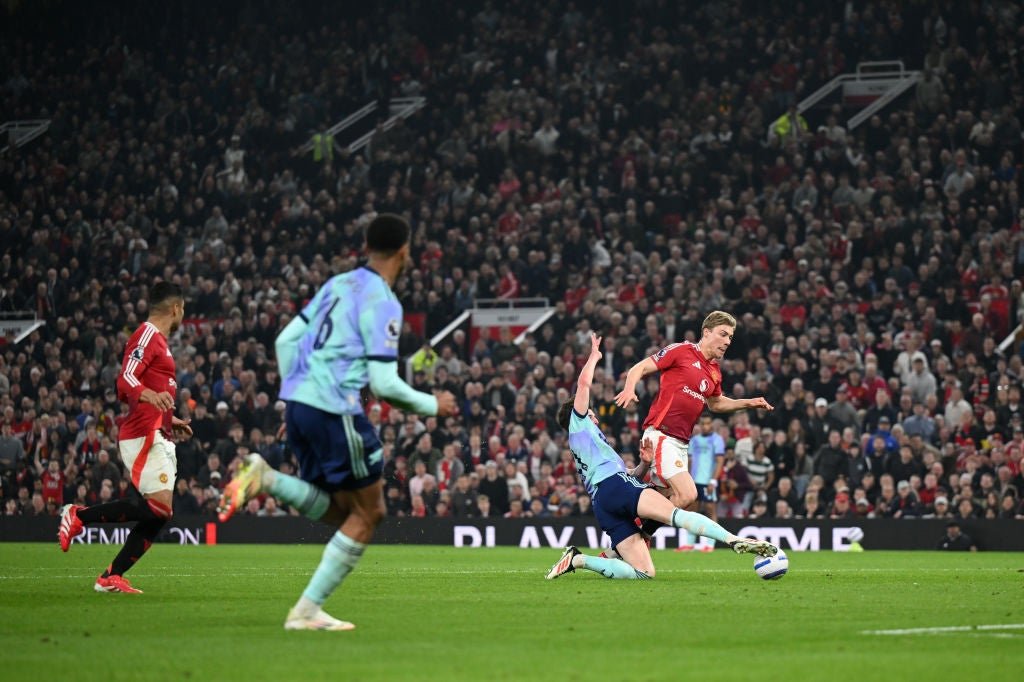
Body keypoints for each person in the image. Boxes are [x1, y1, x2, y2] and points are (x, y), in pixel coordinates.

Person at [217, 214, 457, 631]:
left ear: (365, 246)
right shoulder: (383, 300)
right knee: (370, 513)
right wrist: (434, 405)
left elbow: (284, 340)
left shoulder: (336, 285)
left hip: (300, 404)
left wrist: (295, 397)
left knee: (347, 512)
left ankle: (266, 479)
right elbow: (384, 384)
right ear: (405, 251)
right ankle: (306, 610)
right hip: (334, 408)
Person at [545, 333, 776, 582]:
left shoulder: (587, 446)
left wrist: (645, 463)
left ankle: (577, 559)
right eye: (590, 412)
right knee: (679, 509)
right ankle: (733, 539)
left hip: (603, 502)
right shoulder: (578, 424)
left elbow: (629, 476)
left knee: (644, 573)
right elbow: (583, 386)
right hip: (615, 487)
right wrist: (594, 357)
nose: (594, 416)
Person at [58, 282, 194, 594]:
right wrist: (150, 396)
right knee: (160, 508)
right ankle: (78, 515)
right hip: (141, 435)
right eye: (183, 309)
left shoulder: (159, 342)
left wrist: (170, 419)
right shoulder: (146, 335)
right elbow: (126, 379)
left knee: (160, 514)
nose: (183, 315)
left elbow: (141, 391)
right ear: (175, 308)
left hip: (156, 431)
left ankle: (111, 576)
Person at [614, 311, 773, 509]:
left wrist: (748, 403)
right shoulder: (681, 350)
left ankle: (636, 528)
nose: (728, 341)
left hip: (681, 443)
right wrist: (629, 388)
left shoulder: (714, 372)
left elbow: (715, 404)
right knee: (688, 495)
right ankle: (635, 526)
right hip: (662, 434)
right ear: (706, 332)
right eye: (723, 334)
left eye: (730, 337)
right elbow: (641, 367)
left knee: (665, 498)